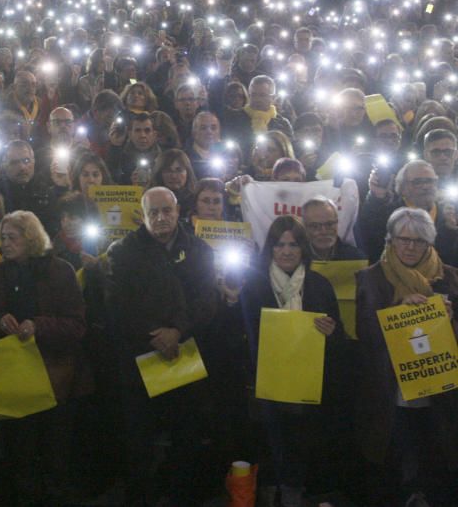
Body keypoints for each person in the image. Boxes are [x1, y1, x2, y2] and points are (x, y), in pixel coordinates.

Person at [105, 187, 219, 505]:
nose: (161, 217)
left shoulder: (199, 250)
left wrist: (178, 331)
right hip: (140, 359)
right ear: (142, 215)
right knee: (139, 440)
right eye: (153, 212)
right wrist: (155, 334)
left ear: (178, 211)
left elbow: (207, 300)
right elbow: (117, 305)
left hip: (185, 354)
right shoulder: (122, 251)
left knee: (187, 435)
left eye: (166, 210)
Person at [240, 215, 345, 507]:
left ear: (303, 249)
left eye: (294, 244)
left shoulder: (319, 286)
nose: (286, 251)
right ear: (270, 248)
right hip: (267, 386)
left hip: (308, 387)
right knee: (271, 444)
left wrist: (331, 332)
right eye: (279, 244)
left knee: (302, 443)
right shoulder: (253, 286)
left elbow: (341, 340)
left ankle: (294, 493)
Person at [355, 207, 458, 506]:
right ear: (390, 240)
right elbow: (365, 333)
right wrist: (397, 309)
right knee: (397, 458)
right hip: (390, 390)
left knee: (435, 456)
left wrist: (449, 321)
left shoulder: (450, 278)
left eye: (419, 241)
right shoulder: (370, 278)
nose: (410, 247)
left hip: (440, 392)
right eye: (404, 239)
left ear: (430, 244)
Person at [0, 210, 87, 505]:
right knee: (21, 453)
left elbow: (77, 325)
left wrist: (38, 326)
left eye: (12, 237)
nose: (5, 243)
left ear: (30, 238)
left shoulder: (60, 271)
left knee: (56, 453)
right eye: (2, 237)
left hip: (55, 376)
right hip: (15, 377)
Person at [360, 159, 458, 265]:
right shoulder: (387, 213)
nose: (425, 187)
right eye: (417, 182)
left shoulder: (448, 215)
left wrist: (452, 232)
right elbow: (372, 243)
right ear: (402, 187)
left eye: (430, 181)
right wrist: (375, 198)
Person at [301, 197, 365, 261]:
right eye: (315, 226)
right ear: (304, 227)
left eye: (329, 224)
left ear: (337, 223)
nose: (324, 231)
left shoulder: (355, 258)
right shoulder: (297, 258)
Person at [149, 149, 198, 217]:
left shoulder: (198, 201)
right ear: (160, 173)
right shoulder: (148, 200)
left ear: (188, 172)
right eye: (168, 170)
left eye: (179, 170)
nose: (173, 176)